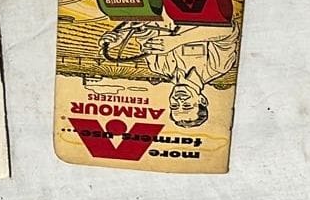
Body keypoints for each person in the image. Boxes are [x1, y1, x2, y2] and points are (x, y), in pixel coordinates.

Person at [98, 17, 239, 128]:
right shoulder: (217, 66)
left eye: (174, 106)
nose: (179, 100)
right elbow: (228, 28)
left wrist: (120, 37)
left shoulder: (157, 66)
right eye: (187, 105)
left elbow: (146, 31)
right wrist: (178, 40)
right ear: (202, 100)